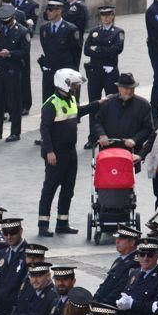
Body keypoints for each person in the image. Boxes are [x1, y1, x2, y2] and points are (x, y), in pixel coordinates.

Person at [38, 68, 104, 237]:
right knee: (50, 188)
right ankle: (43, 224)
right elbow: (44, 129)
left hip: (69, 152)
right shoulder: (51, 104)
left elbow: (79, 111)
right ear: (64, 84)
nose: (75, 88)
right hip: (56, 153)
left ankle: (62, 222)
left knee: (68, 188)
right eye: (73, 85)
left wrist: (99, 103)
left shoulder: (71, 99)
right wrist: (49, 152)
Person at [82, 5, 125, 148]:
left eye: (108, 15)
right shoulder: (94, 32)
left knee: (111, 102)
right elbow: (87, 50)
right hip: (95, 71)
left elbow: (117, 49)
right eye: (103, 15)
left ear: (113, 16)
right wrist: (104, 51)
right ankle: (92, 137)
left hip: (109, 71)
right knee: (93, 104)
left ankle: (110, 135)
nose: (106, 18)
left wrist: (98, 50)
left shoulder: (118, 32)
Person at [0, 4, 29, 143]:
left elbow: (25, 52)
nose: (5, 24)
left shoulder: (22, 31)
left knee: (14, 102)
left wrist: (10, 53)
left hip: (13, 71)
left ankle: (15, 132)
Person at [93, 72, 154, 156]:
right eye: (126, 88)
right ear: (119, 88)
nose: (129, 91)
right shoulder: (109, 102)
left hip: (131, 151)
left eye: (132, 88)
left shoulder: (143, 105)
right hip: (109, 149)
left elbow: (148, 128)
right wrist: (102, 135)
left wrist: (135, 140)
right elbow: (97, 121)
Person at [38, 0, 81, 104]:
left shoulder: (70, 29)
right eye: (47, 9)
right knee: (48, 102)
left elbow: (76, 52)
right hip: (49, 71)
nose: (48, 12)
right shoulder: (44, 29)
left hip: (64, 71)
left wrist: (72, 70)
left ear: (59, 11)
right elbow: (46, 48)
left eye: (51, 10)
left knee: (66, 103)